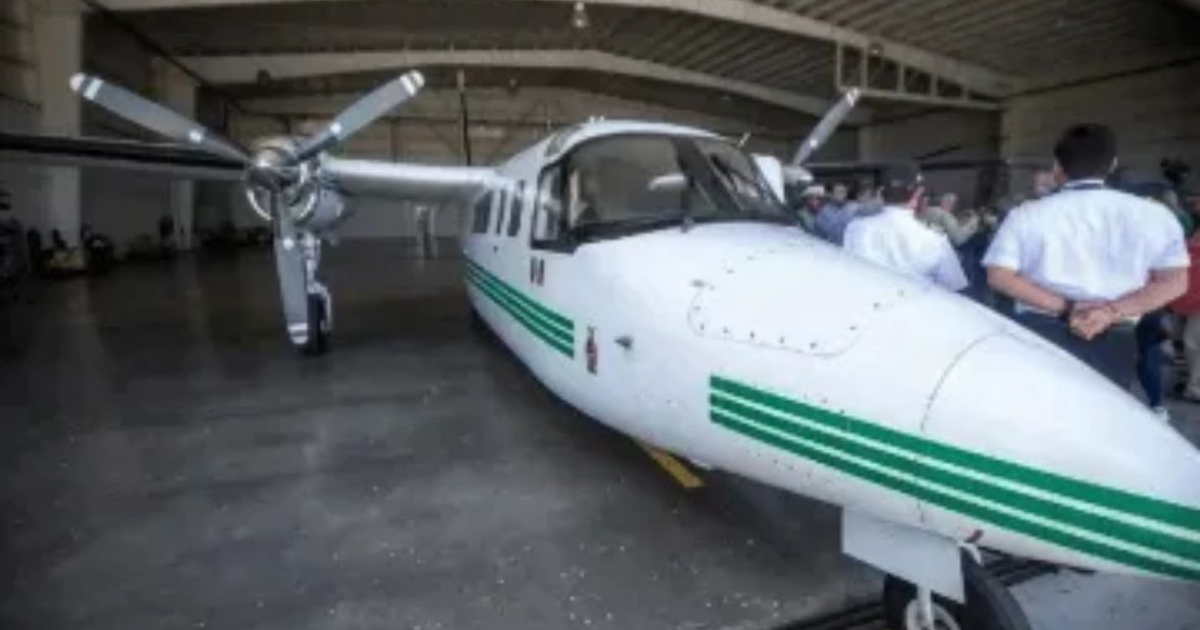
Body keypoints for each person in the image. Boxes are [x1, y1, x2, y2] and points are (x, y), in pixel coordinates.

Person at [983, 124, 1189, 391]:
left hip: (1041, 330)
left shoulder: (1027, 214)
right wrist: (1109, 312)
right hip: (1114, 337)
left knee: (1036, 404)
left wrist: (1068, 307)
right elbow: (1175, 281)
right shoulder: (1154, 215)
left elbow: (998, 276)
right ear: (1113, 164)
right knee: (1103, 409)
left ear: (1057, 166)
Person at [843, 164, 968, 292]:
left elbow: (849, 277)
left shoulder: (855, 230)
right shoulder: (935, 239)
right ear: (918, 193)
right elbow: (954, 287)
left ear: (880, 194)